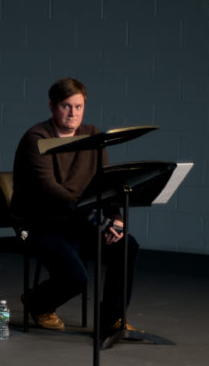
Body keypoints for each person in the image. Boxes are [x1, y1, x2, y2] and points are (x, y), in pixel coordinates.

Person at [12, 78, 139, 337]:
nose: (73, 113)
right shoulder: (36, 138)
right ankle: (37, 303)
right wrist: (96, 219)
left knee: (126, 244)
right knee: (76, 278)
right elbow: (51, 191)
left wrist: (115, 218)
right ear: (52, 106)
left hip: (79, 220)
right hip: (39, 224)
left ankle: (112, 318)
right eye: (66, 106)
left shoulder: (92, 136)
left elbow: (106, 184)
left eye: (78, 107)